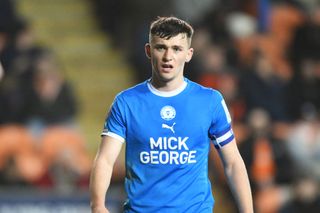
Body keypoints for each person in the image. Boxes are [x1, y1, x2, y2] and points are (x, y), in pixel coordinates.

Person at [90, 16, 253, 213]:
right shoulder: (126, 103)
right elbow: (105, 159)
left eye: (176, 49)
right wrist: (98, 204)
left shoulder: (210, 101)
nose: (168, 56)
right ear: (149, 51)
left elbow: (233, 162)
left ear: (189, 54)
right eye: (161, 47)